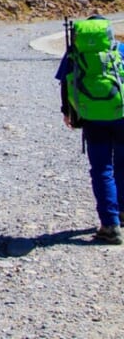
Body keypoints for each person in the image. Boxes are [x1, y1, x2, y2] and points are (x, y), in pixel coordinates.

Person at [57, 15, 124, 245]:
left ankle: (110, 225)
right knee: (122, 164)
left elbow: (65, 83)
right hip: (121, 112)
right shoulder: (119, 49)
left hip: (92, 116)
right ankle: (122, 211)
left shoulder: (75, 54)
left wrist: (67, 112)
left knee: (101, 168)